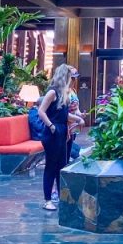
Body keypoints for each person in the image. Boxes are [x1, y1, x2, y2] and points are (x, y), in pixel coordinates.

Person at [37, 64, 82, 211]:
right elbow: (41, 111)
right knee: (51, 166)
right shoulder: (52, 92)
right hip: (52, 133)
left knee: (61, 166)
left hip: (62, 132)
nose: (73, 80)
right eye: (70, 76)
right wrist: (51, 126)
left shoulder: (65, 94)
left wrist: (77, 119)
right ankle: (47, 200)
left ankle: (62, 197)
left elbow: (64, 115)